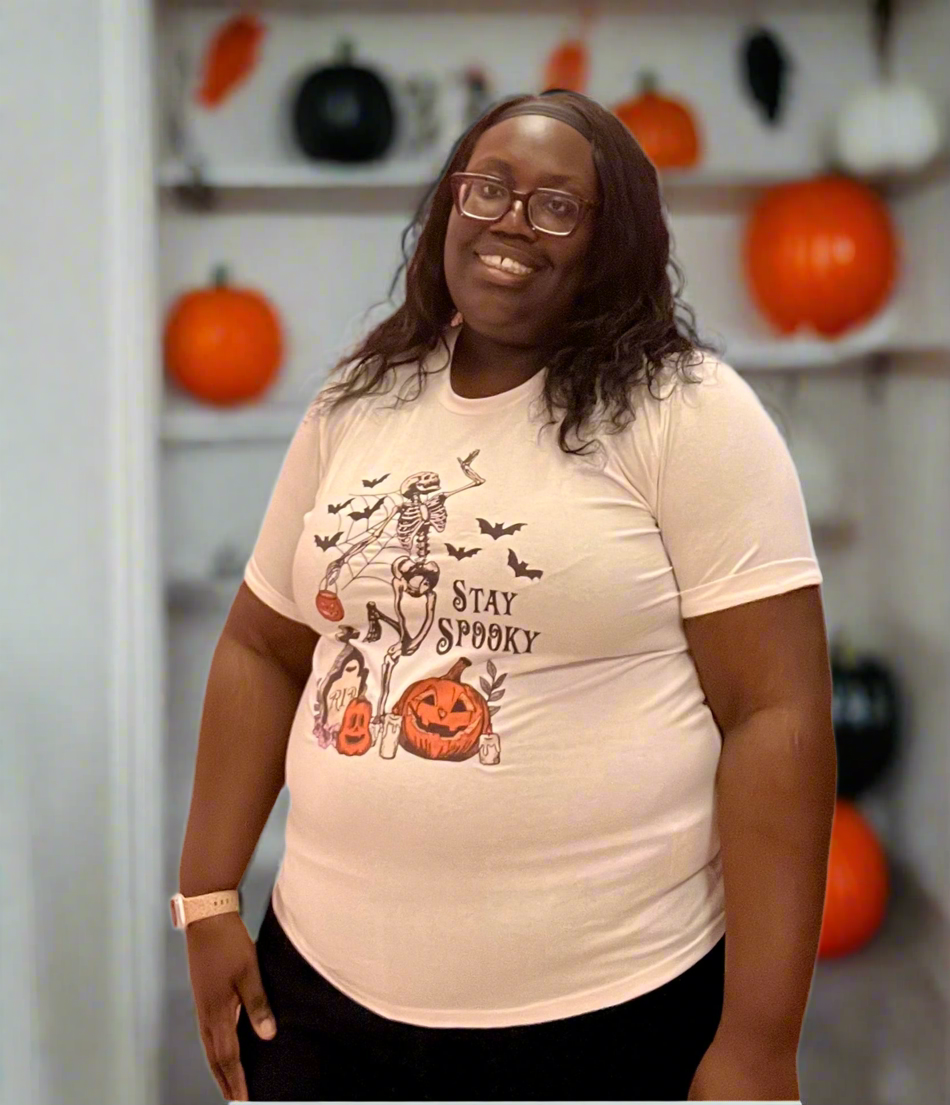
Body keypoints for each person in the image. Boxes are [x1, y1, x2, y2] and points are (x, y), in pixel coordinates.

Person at [175, 90, 837, 1102]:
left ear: (614, 237)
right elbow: (263, 646)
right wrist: (206, 894)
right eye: (488, 188)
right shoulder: (360, 397)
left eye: (556, 205)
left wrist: (758, 1039)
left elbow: (776, 716)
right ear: (451, 203)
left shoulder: (691, 413)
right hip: (321, 994)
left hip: (605, 1013)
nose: (511, 223)